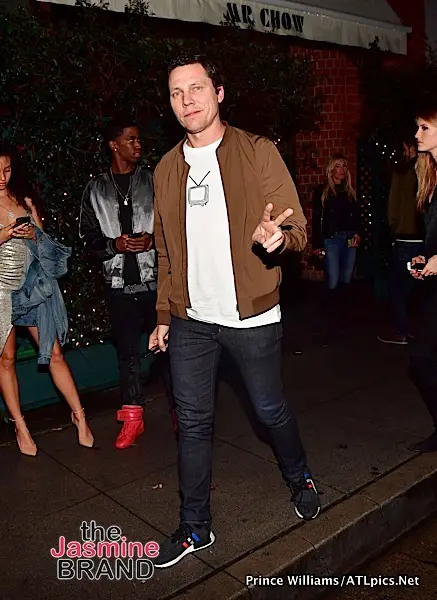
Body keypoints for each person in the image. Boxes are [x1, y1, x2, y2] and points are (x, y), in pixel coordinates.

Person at [149, 54, 321, 569]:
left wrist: (279, 238)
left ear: (218, 92)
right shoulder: (166, 169)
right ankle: (195, 527)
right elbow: (164, 251)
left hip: (251, 317)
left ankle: (300, 475)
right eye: (177, 93)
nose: (187, 101)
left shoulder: (256, 151)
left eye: (197, 88)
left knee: (268, 410)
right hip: (190, 320)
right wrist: (164, 314)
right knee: (192, 423)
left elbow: (297, 228)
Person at [79, 117, 174, 450]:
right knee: (128, 356)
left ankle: (182, 413)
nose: (138, 145)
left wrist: (153, 241)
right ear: (113, 145)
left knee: (169, 351)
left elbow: (174, 226)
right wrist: (114, 245)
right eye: (130, 139)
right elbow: (87, 239)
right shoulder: (95, 189)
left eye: (138, 139)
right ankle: (133, 419)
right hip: (118, 286)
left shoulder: (153, 181)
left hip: (155, 284)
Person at [0, 142, 94, 456]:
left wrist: (34, 234)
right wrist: (5, 234)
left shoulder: (24, 201)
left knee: (54, 353)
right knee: (6, 359)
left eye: (7, 170)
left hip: (31, 288)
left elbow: (45, 246)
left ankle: (80, 416)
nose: (2, 177)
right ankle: (20, 426)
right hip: (0, 290)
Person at [407, 100, 437, 453]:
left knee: (423, 359)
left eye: (424, 127)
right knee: (422, 360)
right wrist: (426, 258)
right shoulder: (429, 176)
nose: (417, 134)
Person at [377, 138, 424, 345]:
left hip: (405, 237)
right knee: (418, 287)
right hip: (424, 238)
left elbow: (393, 207)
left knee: (397, 287)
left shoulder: (403, 172)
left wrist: (393, 230)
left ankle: (401, 331)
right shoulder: (428, 171)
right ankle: (416, 330)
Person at [311, 154, 361, 291]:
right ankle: (330, 303)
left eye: (344, 166)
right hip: (331, 239)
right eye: (338, 166)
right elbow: (317, 218)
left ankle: (342, 303)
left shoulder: (349, 191)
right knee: (332, 281)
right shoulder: (323, 191)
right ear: (331, 169)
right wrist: (317, 244)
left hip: (349, 238)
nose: (341, 170)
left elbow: (356, 216)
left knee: (346, 279)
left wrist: (357, 233)